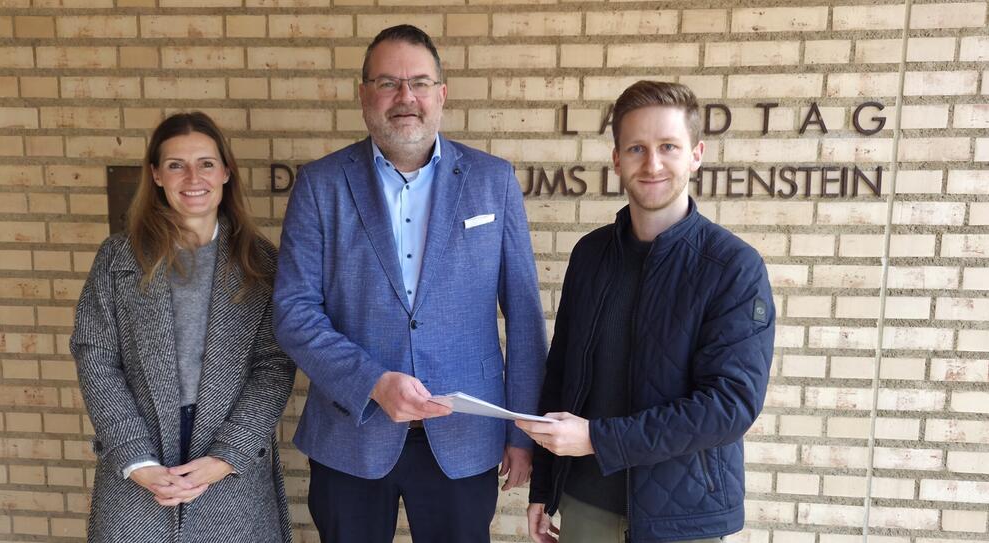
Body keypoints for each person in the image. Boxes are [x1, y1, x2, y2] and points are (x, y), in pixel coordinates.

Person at [273, 24, 547, 543]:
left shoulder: (494, 180)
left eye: (419, 83)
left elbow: (526, 317)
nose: (406, 98)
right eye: (388, 83)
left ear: (441, 95)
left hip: (464, 438)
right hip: (349, 432)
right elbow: (294, 313)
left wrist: (521, 432)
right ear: (363, 96)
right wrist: (373, 382)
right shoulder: (321, 185)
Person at [517, 81, 775, 543]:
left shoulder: (733, 267)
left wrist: (599, 438)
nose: (652, 163)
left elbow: (729, 406)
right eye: (636, 148)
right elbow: (562, 376)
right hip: (585, 504)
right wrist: (544, 486)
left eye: (668, 147)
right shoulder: (591, 254)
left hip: (682, 516)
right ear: (616, 159)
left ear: (696, 154)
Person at [71, 112, 296, 543]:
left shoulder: (260, 262)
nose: (193, 177)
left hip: (231, 469)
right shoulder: (119, 258)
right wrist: (137, 459)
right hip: (140, 467)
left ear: (226, 172)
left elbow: (274, 364)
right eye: (176, 164)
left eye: (206, 163)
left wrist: (228, 454)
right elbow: (95, 356)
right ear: (155, 175)